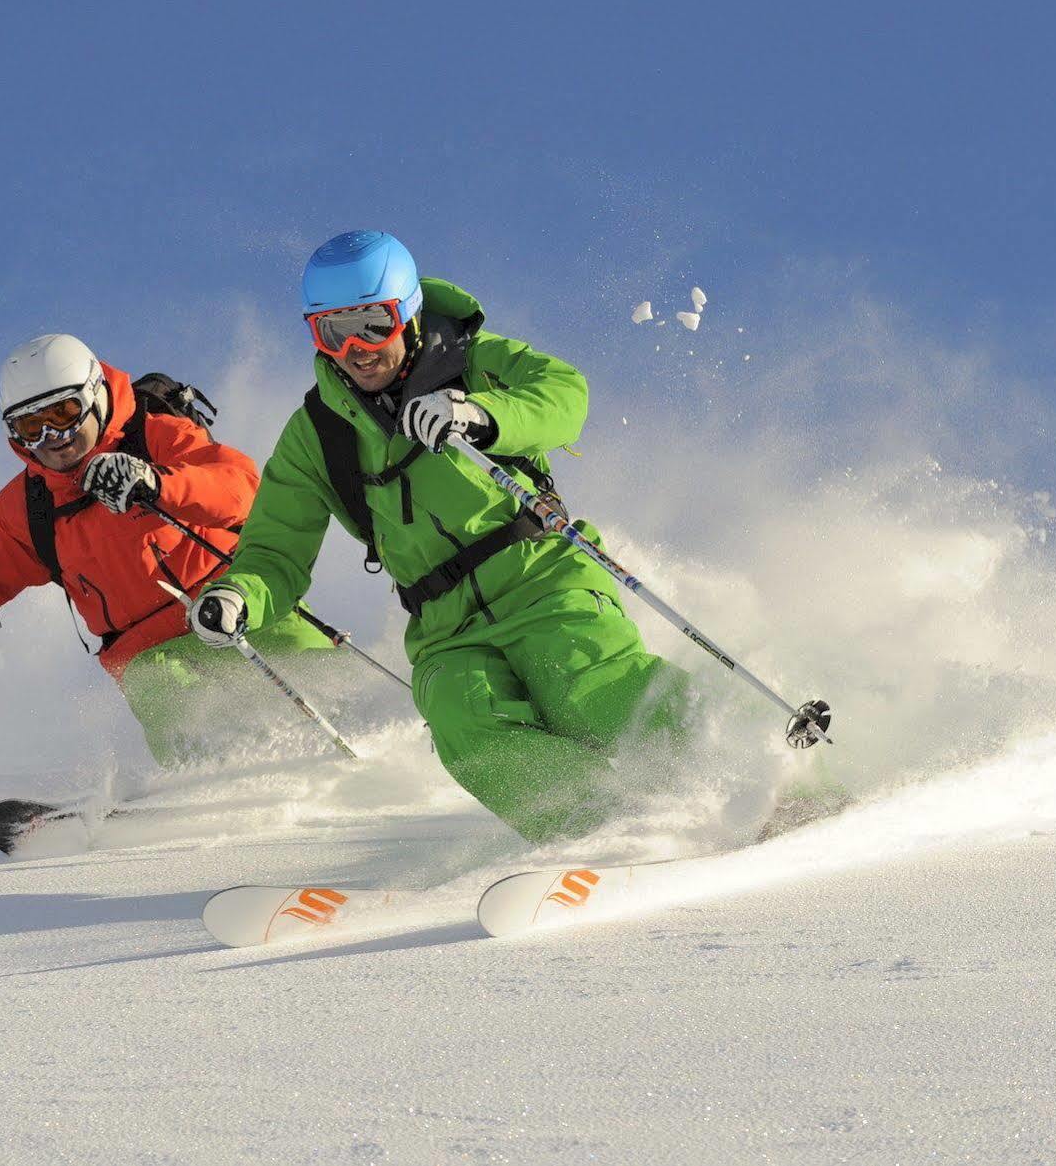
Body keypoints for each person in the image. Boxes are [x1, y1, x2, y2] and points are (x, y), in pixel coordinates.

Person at [184, 230, 700, 842]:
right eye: (332, 331)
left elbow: (565, 393)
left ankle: (746, 776)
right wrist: (241, 594)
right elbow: (275, 548)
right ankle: (605, 831)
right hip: (444, 628)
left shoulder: (472, 360)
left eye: (373, 324)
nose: (356, 348)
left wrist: (484, 416)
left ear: (407, 311)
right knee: (463, 723)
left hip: (540, 577)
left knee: (587, 684)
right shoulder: (316, 435)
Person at [0, 334, 330, 766]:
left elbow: (244, 489)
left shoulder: (154, 437)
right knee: (162, 694)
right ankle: (208, 780)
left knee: (323, 680)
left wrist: (156, 483)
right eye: (30, 426)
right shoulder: (31, 506)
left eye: (62, 415)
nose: (52, 439)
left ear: (94, 398)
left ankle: (371, 744)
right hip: (148, 655)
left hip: (230, 606)